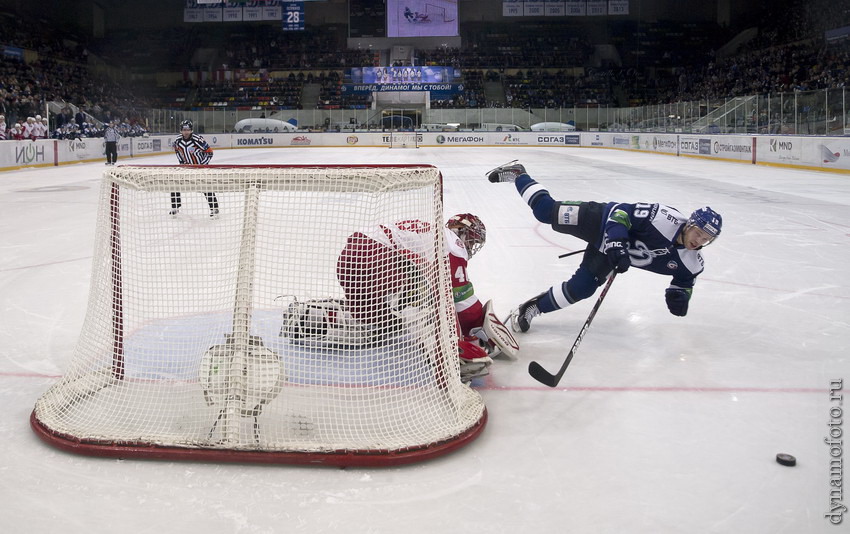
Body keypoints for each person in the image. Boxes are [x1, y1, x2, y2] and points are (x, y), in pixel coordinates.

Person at [486, 160, 722, 333]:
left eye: (705, 239)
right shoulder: (663, 217)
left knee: (582, 288)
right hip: (600, 220)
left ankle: (532, 307)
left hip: (610, 251)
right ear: (689, 224)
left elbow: (683, 281)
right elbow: (621, 213)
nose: (698, 241)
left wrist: (680, 296)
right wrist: (618, 245)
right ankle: (518, 174)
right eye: (698, 233)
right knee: (545, 211)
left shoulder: (692, 263)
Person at [282, 216, 498, 382]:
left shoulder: (427, 229)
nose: (471, 245)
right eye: (472, 239)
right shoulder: (452, 241)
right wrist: (477, 324)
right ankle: (453, 353)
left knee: (377, 325)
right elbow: (461, 298)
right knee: (428, 299)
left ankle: (311, 317)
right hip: (379, 263)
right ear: (462, 231)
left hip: (349, 259)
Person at [171, 119, 219, 217]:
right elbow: (177, 150)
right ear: (181, 130)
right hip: (186, 167)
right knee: (174, 183)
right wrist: (182, 163)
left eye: (188, 129)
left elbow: (209, 152)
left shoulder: (198, 139)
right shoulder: (178, 140)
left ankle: (214, 208)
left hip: (200, 167)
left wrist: (202, 165)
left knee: (206, 187)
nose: (186, 132)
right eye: (184, 130)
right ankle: (175, 206)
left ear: (191, 130)